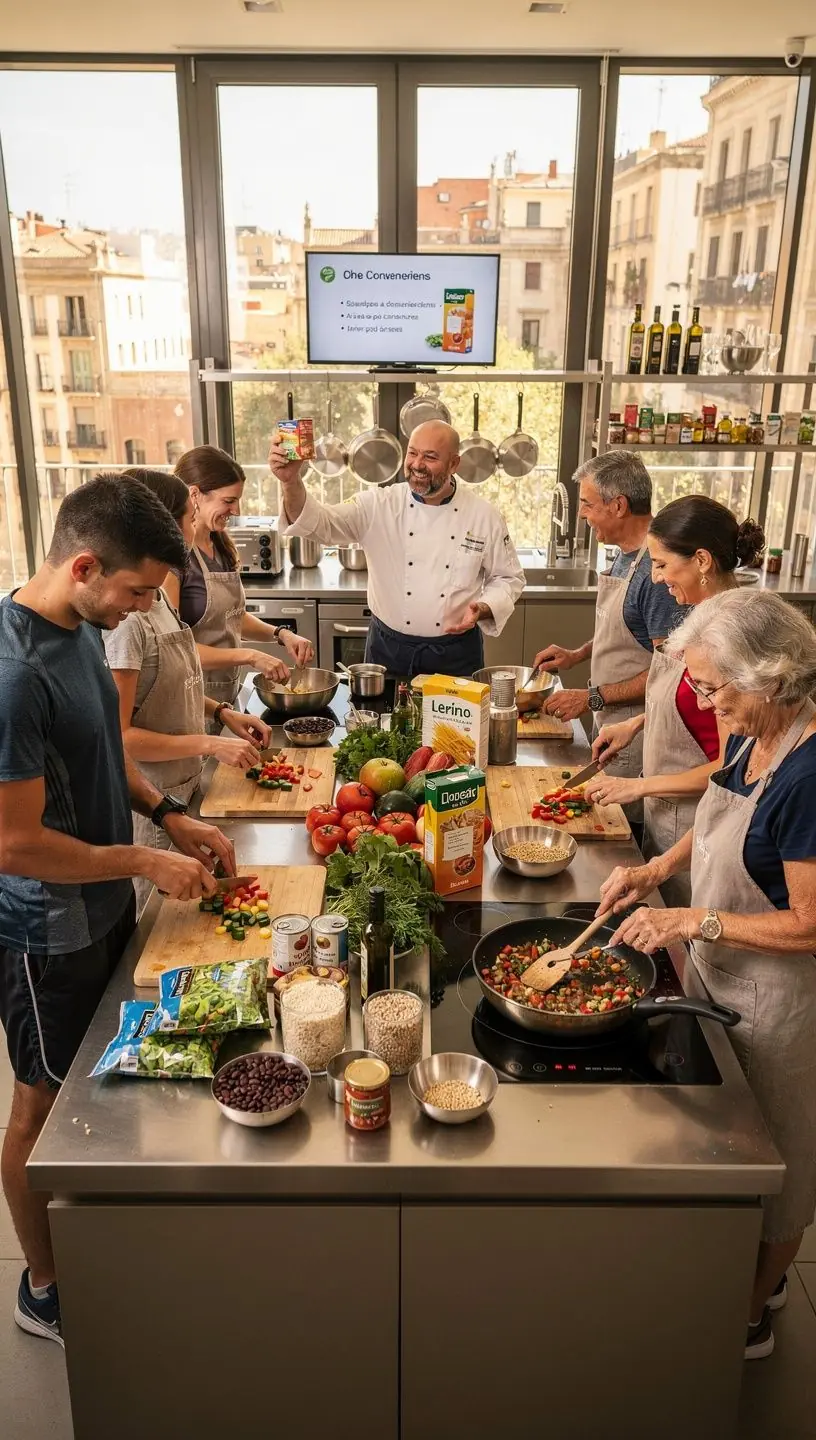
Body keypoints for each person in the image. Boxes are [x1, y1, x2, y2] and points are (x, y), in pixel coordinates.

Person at [0, 475, 236, 1347]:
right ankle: (46, 1286)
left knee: (102, 1090)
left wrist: (172, 817)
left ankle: (111, 1244)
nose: (144, 607)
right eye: (137, 592)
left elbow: (104, 748)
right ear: (86, 564)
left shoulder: (79, 629)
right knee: (42, 1109)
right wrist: (144, 859)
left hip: (106, 904)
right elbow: (13, 844)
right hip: (44, 930)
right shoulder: (14, 673)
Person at [598, 590, 816, 1361]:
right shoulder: (749, 734)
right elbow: (717, 821)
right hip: (720, 983)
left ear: (774, 677)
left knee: (782, 1170)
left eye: (715, 688)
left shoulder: (809, 775)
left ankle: (750, 1316)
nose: (704, 702)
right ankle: (752, 1269)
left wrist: (692, 920)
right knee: (734, 1151)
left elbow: (810, 923)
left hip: (782, 1004)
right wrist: (653, 869)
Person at [104, 469, 272, 910]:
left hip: (186, 789)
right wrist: (212, 742)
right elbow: (120, 735)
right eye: (187, 515)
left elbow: (173, 683)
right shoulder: (128, 618)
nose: (193, 524)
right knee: (162, 928)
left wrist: (221, 713)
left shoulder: (156, 596)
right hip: (152, 807)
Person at [584, 496, 766, 902]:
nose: (656, 578)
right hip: (670, 815)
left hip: (701, 823)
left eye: (662, 565)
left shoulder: (731, 638)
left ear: (701, 560)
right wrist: (636, 723)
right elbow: (691, 703)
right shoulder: (700, 618)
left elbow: (730, 767)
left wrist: (640, 787)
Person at [268, 419, 524, 676]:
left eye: (430, 457)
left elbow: (508, 578)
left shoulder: (483, 516)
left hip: (455, 655)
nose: (417, 465)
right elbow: (319, 524)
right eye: (412, 453)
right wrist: (291, 482)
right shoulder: (378, 505)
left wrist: (484, 607)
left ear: (454, 464)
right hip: (388, 651)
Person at [531, 453, 688, 816]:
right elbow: (628, 631)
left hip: (638, 732)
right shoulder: (623, 555)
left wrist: (590, 698)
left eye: (587, 504)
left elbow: (670, 674)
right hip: (612, 723)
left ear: (618, 506)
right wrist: (578, 654)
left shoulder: (657, 573)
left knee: (620, 827)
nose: (581, 514)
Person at [165, 446, 314, 721]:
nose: (236, 510)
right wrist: (249, 656)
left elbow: (231, 617)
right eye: (228, 500)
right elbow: (176, 651)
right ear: (195, 494)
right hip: (191, 700)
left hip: (226, 694)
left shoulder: (219, 543)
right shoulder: (173, 560)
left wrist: (281, 634)